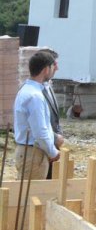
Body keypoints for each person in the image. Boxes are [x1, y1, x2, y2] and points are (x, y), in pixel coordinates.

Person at [14, 50, 61, 180]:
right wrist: (53, 152)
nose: (55, 69)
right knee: (32, 197)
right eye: (53, 66)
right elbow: (40, 131)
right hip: (34, 154)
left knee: (26, 196)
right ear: (46, 69)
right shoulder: (35, 96)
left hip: (29, 151)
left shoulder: (27, 89)